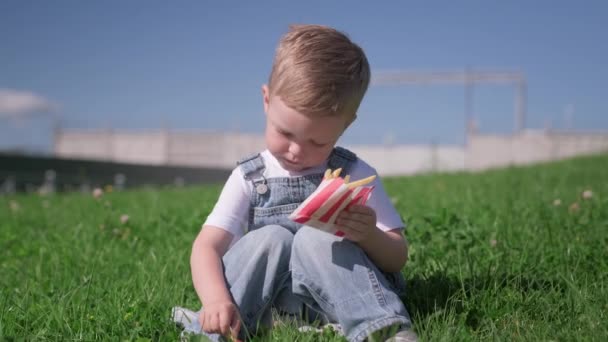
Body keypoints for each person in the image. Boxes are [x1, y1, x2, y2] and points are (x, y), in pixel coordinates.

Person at [173, 24, 416, 342]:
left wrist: (369, 234)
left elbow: (397, 257)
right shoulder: (250, 177)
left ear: (345, 126)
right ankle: (218, 331)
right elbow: (206, 247)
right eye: (285, 133)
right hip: (269, 303)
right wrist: (215, 299)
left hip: (340, 302)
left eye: (318, 142)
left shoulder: (354, 173)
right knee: (269, 238)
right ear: (266, 100)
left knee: (316, 240)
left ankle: (383, 329)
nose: (297, 151)